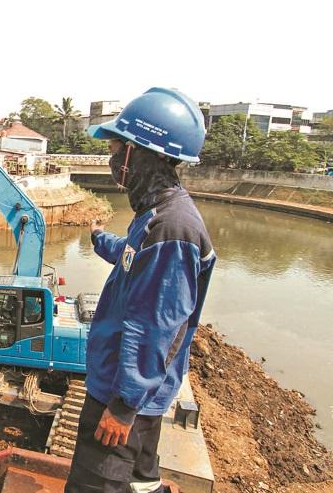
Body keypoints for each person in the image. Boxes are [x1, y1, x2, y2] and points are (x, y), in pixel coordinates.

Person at [65, 88, 216, 493]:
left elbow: (154, 327)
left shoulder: (172, 228)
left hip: (122, 393)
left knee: (94, 486)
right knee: (140, 481)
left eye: (117, 148)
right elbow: (133, 258)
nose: (113, 160)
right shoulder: (155, 216)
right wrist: (100, 239)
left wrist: (122, 406)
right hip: (140, 391)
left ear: (139, 153)